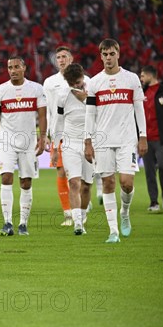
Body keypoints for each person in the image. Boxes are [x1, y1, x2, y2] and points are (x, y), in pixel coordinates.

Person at [84, 38, 147, 243]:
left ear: (118, 54)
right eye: (104, 54)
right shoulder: (94, 82)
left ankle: (125, 213)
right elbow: (89, 115)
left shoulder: (131, 79)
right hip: (102, 140)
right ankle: (113, 231)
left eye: (112, 53)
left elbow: (139, 109)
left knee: (126, 183)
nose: (108, 58)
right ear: (100, 56)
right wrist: (87, 140)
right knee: (108, 182)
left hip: (127, 139)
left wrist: (142, 136)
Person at [0, 55, 47, 236]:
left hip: (28, 142)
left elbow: (42, 116)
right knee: (6, 178)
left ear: (24, 68)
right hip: (6, 142)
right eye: (10, 67)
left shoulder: (36, 89)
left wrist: (42, 138)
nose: (13, 70)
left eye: (16, 67)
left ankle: (23, 224)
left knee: (26, 182)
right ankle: (7, 222)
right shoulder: (0, 91)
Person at [44, 46, 90, 226]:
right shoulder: (49, 82)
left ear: (71, 58)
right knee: (61, 171)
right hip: (60, 131)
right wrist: (47, 134)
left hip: (83, 134)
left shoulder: (86, 80)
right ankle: (68, 213)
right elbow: (49, 110)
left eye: (64, 56)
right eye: (58, 57)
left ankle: (81, 204)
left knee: (85, 180)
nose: (61, 60)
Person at [52, 63, 94, 235]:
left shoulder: (93, 89)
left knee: (86, 186)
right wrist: (55, 147)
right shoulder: (62, 95)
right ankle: (78, 224)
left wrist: (86, 97)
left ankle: (82, 216)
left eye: (79, 81)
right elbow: (58, 122)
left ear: (83, 77)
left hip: (90, 142)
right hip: (69, 143)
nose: (77, 85)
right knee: (74, 183)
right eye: (73, 83)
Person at [139, 65, 163, 211]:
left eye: (143, 76)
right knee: (149, 171)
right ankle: (153, 202)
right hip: (146, 139)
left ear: (150, 75)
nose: (141, 78)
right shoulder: (141, 93)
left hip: (162, 138)